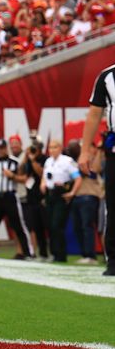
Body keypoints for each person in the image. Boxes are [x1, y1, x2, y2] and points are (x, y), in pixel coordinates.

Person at [77, 65, 115, 275]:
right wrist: (84, 151)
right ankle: (113, 260)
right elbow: (94, 115)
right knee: (113, 204)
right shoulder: (107, 76)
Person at [0, 138, 34, 259]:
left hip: (11, 196)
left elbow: (24, 179)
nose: (1, 151)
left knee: (19, 226)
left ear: (6, 148)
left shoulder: (15, 162)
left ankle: (28, 252)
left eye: (2, 148)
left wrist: (12, 176)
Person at [42, 138, 79, 263]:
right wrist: (42, 184)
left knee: (57, 224)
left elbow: (77, 178)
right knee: (50, 225)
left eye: (55, 147)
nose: (52, 150)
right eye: (50, 147)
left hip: (61, 193)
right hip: (50, 194)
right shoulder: (48, 161)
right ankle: (53, 253)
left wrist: (72, 192)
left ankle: (61, 255)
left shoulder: (67, 161)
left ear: (61, 148)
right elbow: (45, 176)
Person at [69, 143, 103, 265]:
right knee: (78, 227)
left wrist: (99, 151)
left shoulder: (94, 160)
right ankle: (84, 253)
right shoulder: (74, 161)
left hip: (90, 195)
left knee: (87, 226)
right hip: (77, 196)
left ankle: (91, 255)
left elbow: (95, 170)